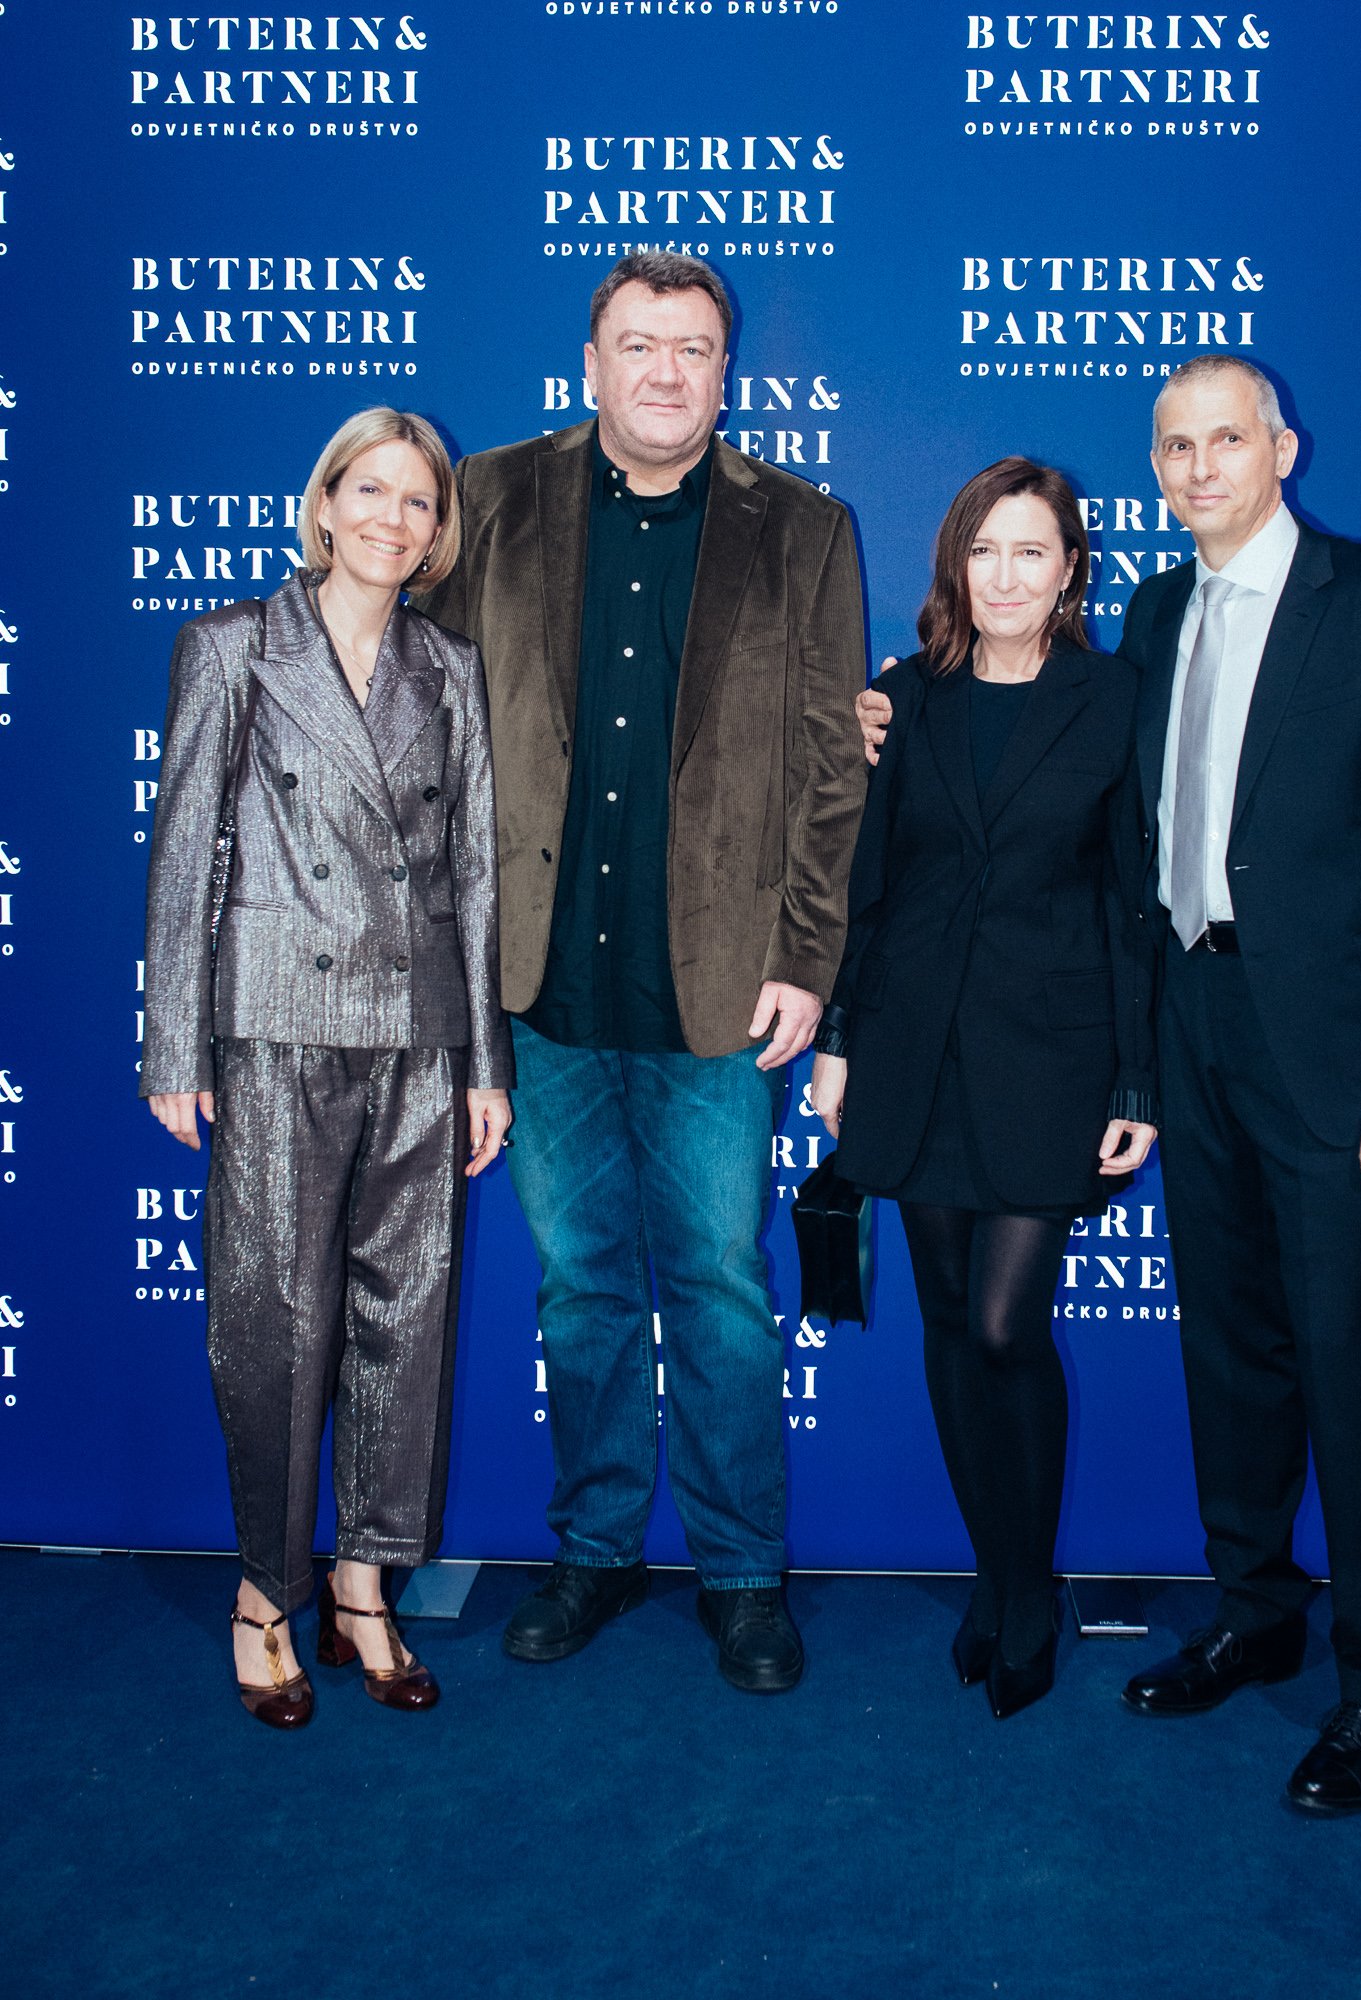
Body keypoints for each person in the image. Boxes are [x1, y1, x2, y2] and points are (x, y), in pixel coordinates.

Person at [859, 357, 1361, 1809]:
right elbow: (1047, 768)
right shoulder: (1155, 616)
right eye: (1176, 446)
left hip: (1338, 1052)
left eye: (1228, 439)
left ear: (1285, 445)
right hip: (1186, 1018)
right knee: (1233, 1342)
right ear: (1155, 469)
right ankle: (1257, 1613)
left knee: (1348, 1352)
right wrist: (880, 725)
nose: (1202, 465)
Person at [418, 252, 867, 1694]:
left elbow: (826, 773)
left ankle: (742, 1574)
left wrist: (808, 956)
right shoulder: (488, 497)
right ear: (591, 362)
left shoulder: (802, 527)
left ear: (726, 374)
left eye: (695, 349)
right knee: (582, 1289)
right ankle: (599, 1550)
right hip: (534, 984)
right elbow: (413, 709)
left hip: (720, 988)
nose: (667, 371)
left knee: (722, 1292)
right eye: (639, 344)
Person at [142, 407, 513, 1729]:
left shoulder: (450, 669)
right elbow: (188, 858)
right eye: (370, 492)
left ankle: (365, 1585)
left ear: (436, 530)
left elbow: (473, 876)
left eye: (417, 503)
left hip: (418, 1033)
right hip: (273, 1026)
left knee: (404, 1330)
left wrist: (484, 1058)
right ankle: (263, 1593)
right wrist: (174, 1044)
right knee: (272, 1324)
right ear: (323, 503)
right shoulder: (233, 647)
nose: (391, 520)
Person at [810, 458, 1157, 1720]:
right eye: (983, 551)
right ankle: (996, 1574)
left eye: (1032, 551)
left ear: (1071, 568)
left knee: (1009, 1323)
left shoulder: (1118, 699)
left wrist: (1136, 1070)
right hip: (913, 1048)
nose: (1005, 575)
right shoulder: (905, 698)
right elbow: (869, 884)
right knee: (949, 1323)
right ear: (954, 566)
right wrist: (838, 1037)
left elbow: (1134, 901)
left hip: (1054, 1058)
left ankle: (1027, 1577)